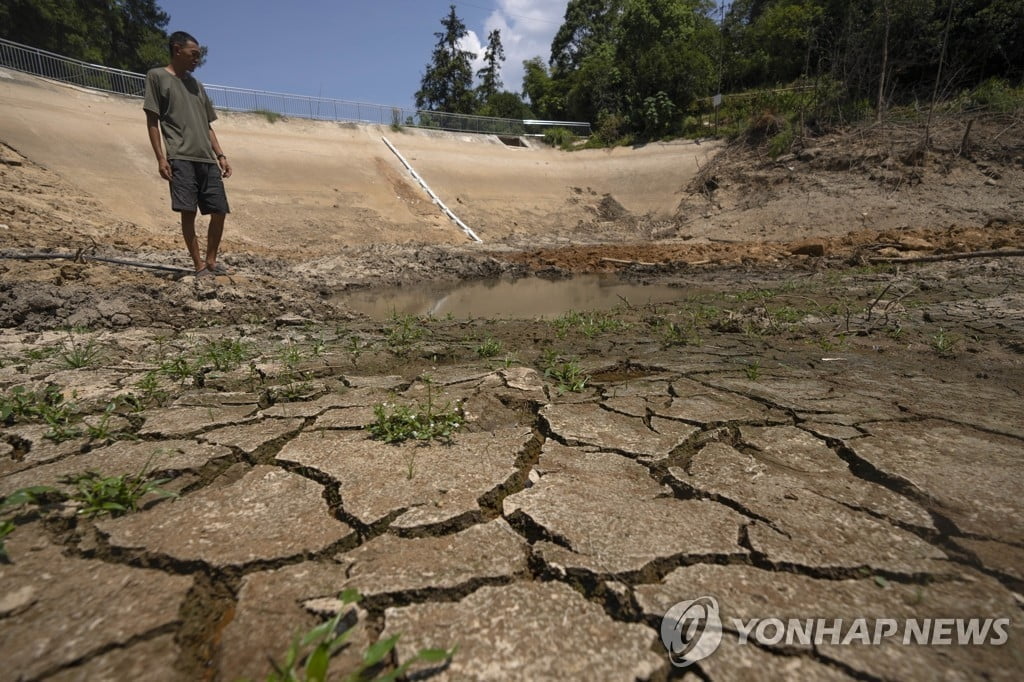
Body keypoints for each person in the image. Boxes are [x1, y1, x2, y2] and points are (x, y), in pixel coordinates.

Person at [144, 31, 233, 277]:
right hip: (180, 157)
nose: (197, 60)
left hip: (206, 158)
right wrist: (160, 157)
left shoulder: (197, 86)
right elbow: (152, 119)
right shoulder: (157, 77)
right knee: (188, 212)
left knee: (219, 210)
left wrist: (221, 155)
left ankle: (212, 260)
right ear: (177, 49)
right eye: (194, 54)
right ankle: (198, 265)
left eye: (199, 55)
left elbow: (207, 125)